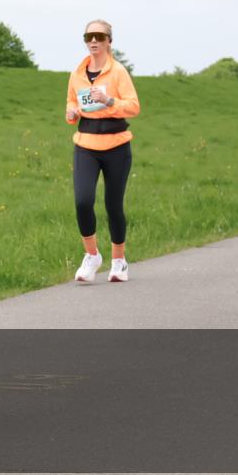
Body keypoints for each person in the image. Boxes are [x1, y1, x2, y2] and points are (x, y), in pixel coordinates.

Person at [66, 20, 140, 283]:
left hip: (117, 145)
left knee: (113, 205)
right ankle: (92, 256)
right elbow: (71, 105)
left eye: (99, 36)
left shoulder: (118, 72)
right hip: (85, 144)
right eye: (89, 36)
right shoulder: (77, 73)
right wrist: (71, 112)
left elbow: (133, 107)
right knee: (83, 201)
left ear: (109, 41)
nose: (93, 41)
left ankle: (119, 261)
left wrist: (108, 100)